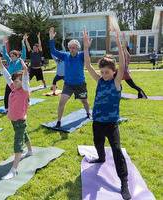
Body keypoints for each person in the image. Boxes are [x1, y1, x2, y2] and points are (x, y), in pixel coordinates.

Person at [83, 28, 131, 200]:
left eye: (107, 72)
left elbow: (123, 64)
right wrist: (86, 47)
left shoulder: (117, 82)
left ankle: (124, 182)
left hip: (111, 123)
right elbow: (87, 65)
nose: (103, 75)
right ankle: (101, 157)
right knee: (97, 143)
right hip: (97, 121)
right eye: (102, 72)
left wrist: (118, 45)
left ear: (113, 71)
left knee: (116, 150)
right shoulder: (100, 81)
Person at [0, 55, 33, 180]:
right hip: (14, 120)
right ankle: (30, 151)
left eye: (17, 81)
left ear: (23, 82)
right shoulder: (13, 88)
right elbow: (6, 75)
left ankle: (14, 170)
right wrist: (0, 64)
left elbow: (26, 80)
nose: (14, 83)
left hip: (20, 121)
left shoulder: (24, 91)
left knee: (18, 144)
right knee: (24, 134)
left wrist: (25, 69)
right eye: (14, 81)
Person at [49, 27, 91, 128]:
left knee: (85, 101)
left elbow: (87, 52)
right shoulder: (65, 56)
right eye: (70, 48)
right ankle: (58, 122)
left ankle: (88, 113)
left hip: (80, 84)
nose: (72, 50)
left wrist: (86, 44)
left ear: (78, 48)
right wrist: (51, 39)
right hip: (68, 84)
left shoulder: (81, 56)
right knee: (61, 102)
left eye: (74, 48)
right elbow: (54, 51)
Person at [2, 34, 27, 113]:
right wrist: (3, 44)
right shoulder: (9, 61)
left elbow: (24, 54)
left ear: (16, 56)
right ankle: (6, 108)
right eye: (11, 56)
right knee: (7, 94)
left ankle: (26, 102)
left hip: (18, 81)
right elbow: (5, 54)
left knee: (21, 94)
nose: (11, 57)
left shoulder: (19, 61)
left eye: (13, 56)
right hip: (10, 81)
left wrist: (23, 42)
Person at [122, 33, 147, 99]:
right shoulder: (124, 56)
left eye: (123, 50)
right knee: (116, 81)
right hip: (123, 73)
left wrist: (123, 38)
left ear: (126, 50)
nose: (122, 50)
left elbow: (124, 47)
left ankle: (143, 94)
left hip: (125, 74)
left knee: (133, 86)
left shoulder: (127, 55)